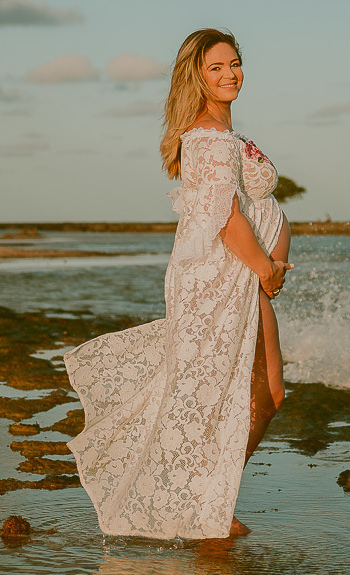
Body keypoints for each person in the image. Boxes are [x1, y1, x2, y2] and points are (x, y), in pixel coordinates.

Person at [63, 28, 293, 540]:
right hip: (227, 283)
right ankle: (204, 502)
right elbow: (226, 217)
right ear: (196, 76)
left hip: (239, 282)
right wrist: (267, 268)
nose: (230, 74)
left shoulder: (220, 131)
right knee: (251, 394)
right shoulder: (207, 136)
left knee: (249, 393)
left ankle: (208, 498)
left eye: (234, 63)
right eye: (216, 67)